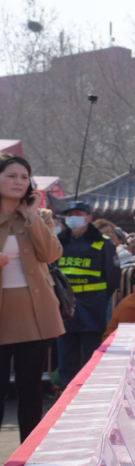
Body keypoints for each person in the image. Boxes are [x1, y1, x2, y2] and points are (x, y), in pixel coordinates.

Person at [0, 154, 64, 441]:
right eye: (11, 175)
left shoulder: (40, 214)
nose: (18, 182)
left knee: (30, 388)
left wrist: (33, 215)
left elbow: (51, 254)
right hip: (3, 314)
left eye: (24, 177)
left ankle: (28, 457)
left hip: (36, 313)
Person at [57, 200, 119, 389]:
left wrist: (99, 298)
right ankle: (66, 393)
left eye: (78, 213)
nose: (73, 218)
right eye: (70, 214)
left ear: (89, 218)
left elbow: (113, 277)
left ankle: (94, 391)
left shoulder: (103, 243)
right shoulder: (58, 242)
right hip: (64, 308)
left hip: (92, 307)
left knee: (93, 355)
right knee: (66, 357)